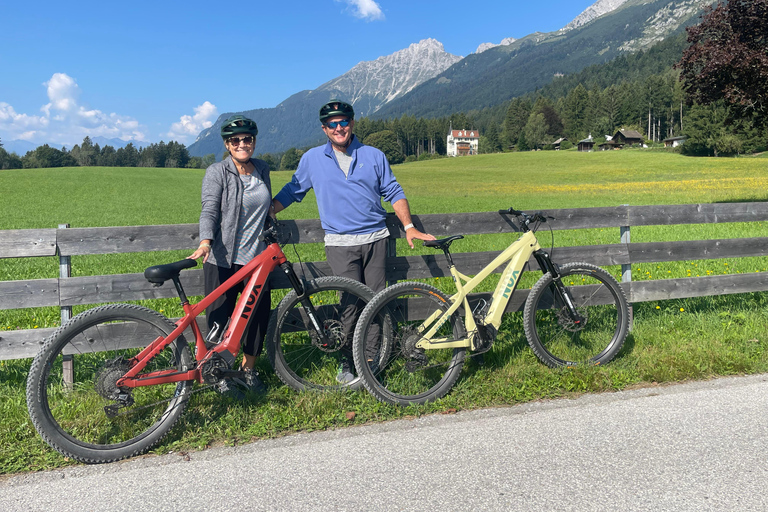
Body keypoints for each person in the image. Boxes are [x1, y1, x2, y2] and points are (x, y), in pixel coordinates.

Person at [272, 99, 435, 383]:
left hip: (375, 240)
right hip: (340, 244)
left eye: (344, 121)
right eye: (332, 124)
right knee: (348, 305)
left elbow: (393, 191)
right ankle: (348, 361)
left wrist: (409, 226)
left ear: (353, 123)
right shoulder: (312, 159)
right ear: (324, 129)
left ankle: (370, 362)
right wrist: (268, 212)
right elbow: (293, 190)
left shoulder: (373, 155)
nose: (339, 128)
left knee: (375, 302)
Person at [188, 115, 272, 395]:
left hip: (257, 262)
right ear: (227, 144)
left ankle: (248, 370)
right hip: (223, 261)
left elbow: (266, 209)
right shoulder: (218, 172)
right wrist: (205, 241)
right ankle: (218, 374)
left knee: (257, 319)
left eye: (247, 139)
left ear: (254, 142)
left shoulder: (262, 169)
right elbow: (209, 208)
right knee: (219, 320)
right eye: (235, 140)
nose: (241, 144)